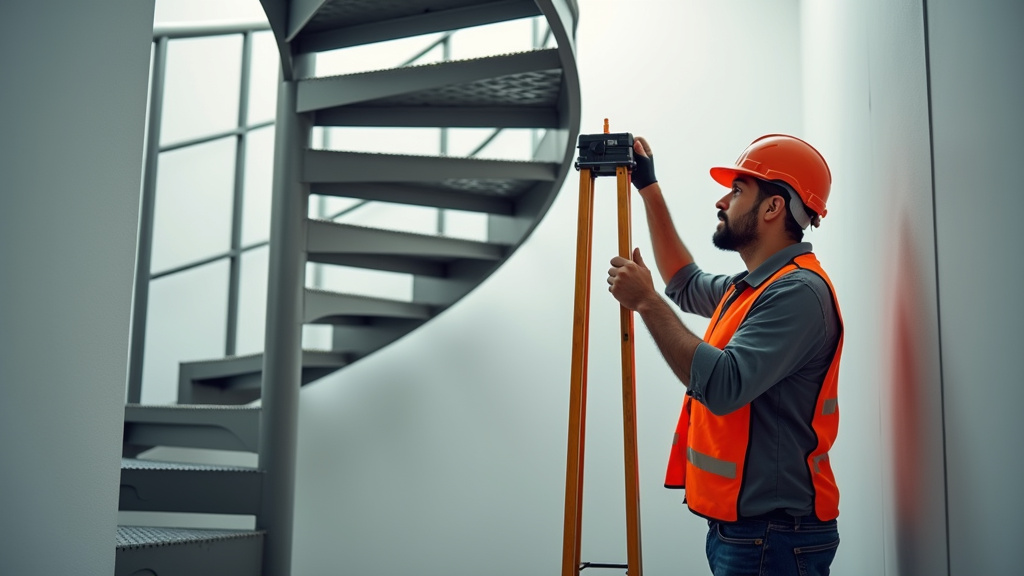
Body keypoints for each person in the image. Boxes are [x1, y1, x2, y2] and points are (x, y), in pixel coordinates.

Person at [607, 134, 844, 576]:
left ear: (773, 208)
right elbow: (684, 282)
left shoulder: (796, 293)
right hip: (752, 533)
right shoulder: (754, 287)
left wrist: (646, 303)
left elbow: (722, 385)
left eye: (737, 191)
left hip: (773, 537)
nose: (722, 201)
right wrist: (648, 187)